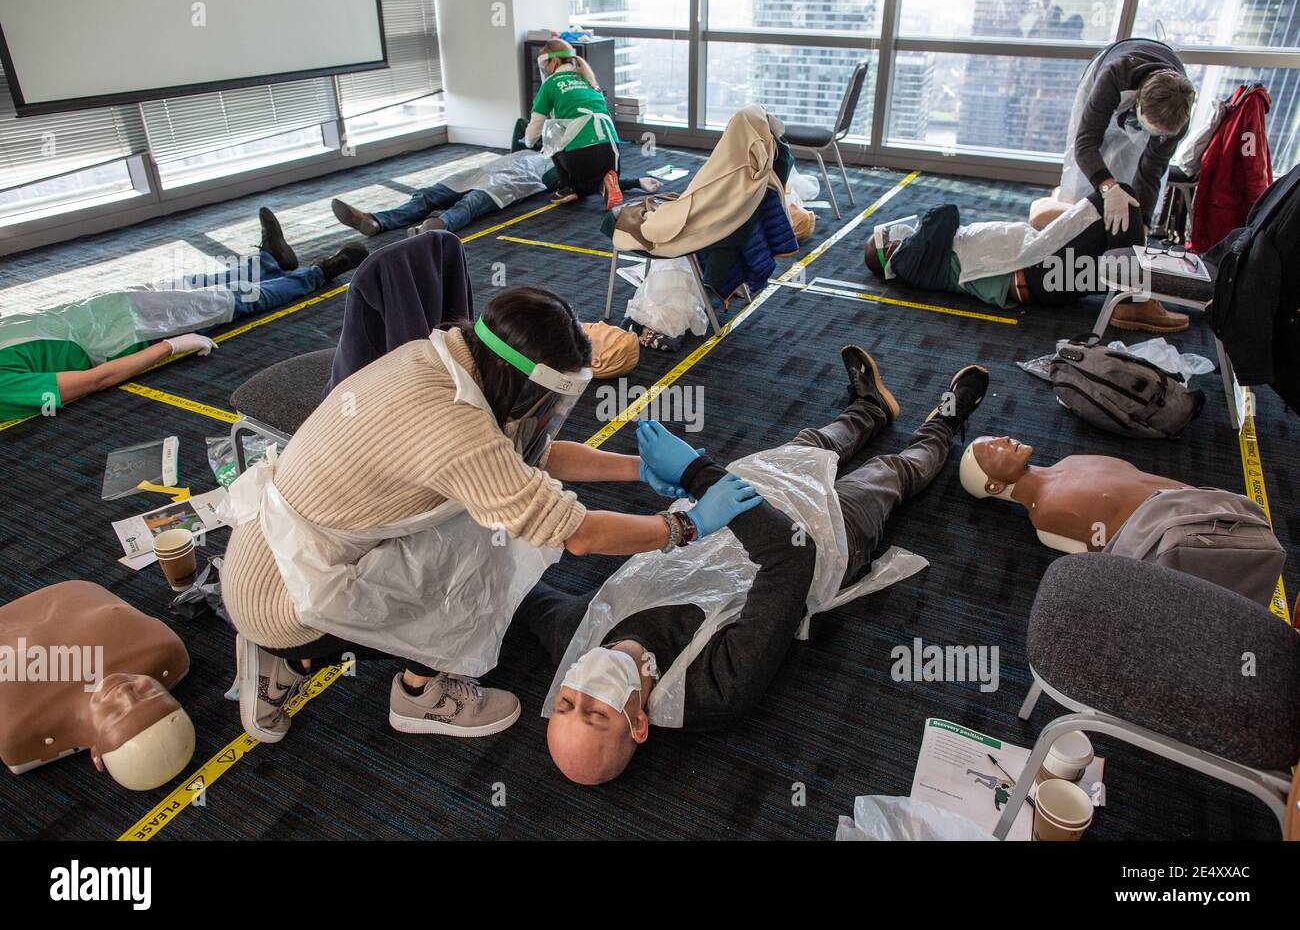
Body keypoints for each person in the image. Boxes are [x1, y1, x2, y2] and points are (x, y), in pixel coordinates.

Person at [223, 285, 762, 743]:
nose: (552, 415)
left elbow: (526, 456)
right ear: (523, 382)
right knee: (483, 549)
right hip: (287, 598)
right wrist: (687, 525)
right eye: (552, 401)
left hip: (264, 557)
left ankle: (287, 663)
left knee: (486, 517)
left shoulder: (443, 358)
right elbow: (576, 533)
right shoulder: (456, 428)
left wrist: (636, 469)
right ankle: (416, 693)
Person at [516, 349, 990, 784]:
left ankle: (871, 407)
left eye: (566, 701)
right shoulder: (716, 689)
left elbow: (517, 599)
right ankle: (945, 424)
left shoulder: (573, 635)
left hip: (720, 529)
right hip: (815, 546)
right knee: (887, 475)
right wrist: (697, 475)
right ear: (639, 724)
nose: (585, 688)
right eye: (597, 712)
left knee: (804, 448)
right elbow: (789, 559)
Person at [0, 208, 367, 423]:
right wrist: (171, 347)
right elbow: (92, 381)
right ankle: (318, 272)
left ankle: (269, 260)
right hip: (122, 334)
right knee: (229, 301)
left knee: (197, 283)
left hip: (98, 307)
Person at [865, 188, 1189, 333]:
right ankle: (1132, 301)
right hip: (1039, 272)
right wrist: (915, 233)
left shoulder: (919, 258)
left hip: (1040, 268)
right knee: (1113, 200)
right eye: (893, 236)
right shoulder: (908, 261)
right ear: (888, 249)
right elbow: (945, 213)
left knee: (1117, 208)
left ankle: (1132, 299)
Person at [1032, 39, 1197, 233]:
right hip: (1107, 76)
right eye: (1147, 127)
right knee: (1081, 183)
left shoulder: (1178, 117)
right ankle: (1056, 204)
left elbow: (1152, 170)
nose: (1148, 134)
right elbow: (1086, 144)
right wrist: (1108, 188)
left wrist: (1142, 222)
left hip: (1152, 96)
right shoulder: (1114, 75)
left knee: (1126, 176)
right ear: (1138, 102)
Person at [329, 150, 659, 238]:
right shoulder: (531, 148)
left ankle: (440, 226)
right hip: (486, 170)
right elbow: (522, 128)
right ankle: (374, 220)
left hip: (512, 183)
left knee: (471, 204)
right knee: (428, 194)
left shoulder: (558, 167)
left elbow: (593, 182)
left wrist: (633, 181)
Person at [524, 39, 623, 209]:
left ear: (554, 61)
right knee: (587, 182)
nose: (545, 70)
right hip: (612, 156)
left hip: (582, 158)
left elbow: (536, 125)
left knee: (552, 131)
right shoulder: (589, 80)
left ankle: (566, 188)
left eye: (544, 65)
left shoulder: (551, 83)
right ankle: (605, 180)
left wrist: (527, 143)